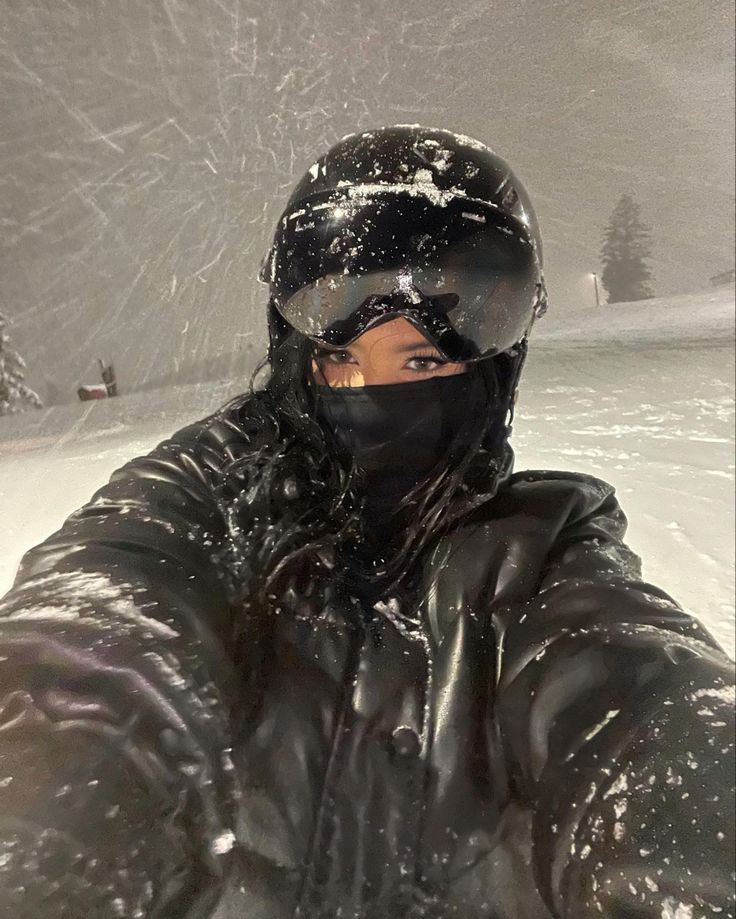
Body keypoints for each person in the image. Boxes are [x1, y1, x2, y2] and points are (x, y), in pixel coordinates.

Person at [0, 125, 733, 919]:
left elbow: (642, 702)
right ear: (298, 354)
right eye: (344, 357)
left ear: (493, 371)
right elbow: (94, 636)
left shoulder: (541, 556)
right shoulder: (209, 500)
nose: (380, 393)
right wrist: (51, 819)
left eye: (423, 362)